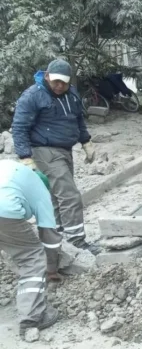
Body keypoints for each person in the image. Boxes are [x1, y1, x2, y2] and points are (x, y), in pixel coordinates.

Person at [12, 59, 99, 254]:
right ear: (47, 76)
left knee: (55, 197)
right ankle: (77, 241)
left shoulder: (72, 94)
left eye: (64, 82)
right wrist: (25, 157)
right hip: (45, 150)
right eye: (56, 81)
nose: (59, 86)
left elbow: (78, 119)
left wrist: (86, 142)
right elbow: (19, 127)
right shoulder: (33, 96)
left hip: (65, 150)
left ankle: (58, 241)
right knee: (70, 196)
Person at [0, 160, 62, 337]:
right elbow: (49, 235)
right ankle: (32, 317)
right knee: (31, 256)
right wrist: (50, 268)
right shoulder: (40, 189)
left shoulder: (11, 169)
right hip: (3, 208)